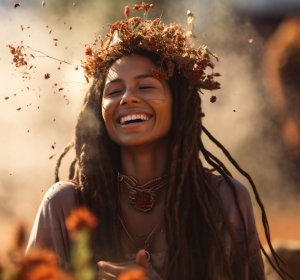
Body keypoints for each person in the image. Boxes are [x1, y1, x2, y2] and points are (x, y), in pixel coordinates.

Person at [26, 4, 289, 280]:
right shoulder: (65, 206)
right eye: (114, 90)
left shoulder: (224, 201)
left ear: (179, 103)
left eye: (146, 86)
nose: (127, 98)